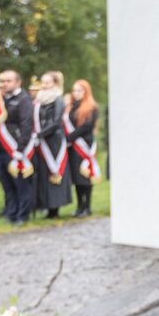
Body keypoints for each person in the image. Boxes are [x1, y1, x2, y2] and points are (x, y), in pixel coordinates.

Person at [0, 69, 34, 225]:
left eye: (8, 81)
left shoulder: (23, 99)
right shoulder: (1, 100)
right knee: (7, 184)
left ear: (18, 82)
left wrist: (20, 149)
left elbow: (26, 125)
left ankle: (22, 215)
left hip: (16, 149)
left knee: (21, 184)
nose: (4, 84)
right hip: (1, 148)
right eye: (2, 81)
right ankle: (11, 213)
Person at [32, 71, 72, 219]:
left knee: (54, 172)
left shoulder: (58, 99)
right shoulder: (39, 100)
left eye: (48, 82)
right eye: (43, 82)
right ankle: (46, 205)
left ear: (55, 83)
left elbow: (56, 122)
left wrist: (40, 134)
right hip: (42, 140)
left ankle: (55, 208)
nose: (44, 85)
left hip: (53, 140)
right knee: (43, 173)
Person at [64, 78, 100, 217]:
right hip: (73, 146)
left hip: (84, 145)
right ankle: (79, 206)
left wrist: (70, 137)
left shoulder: (91, 107)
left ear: (86, 92)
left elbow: (87, 126)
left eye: (79, 90)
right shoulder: (71, 107)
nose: (76, 93)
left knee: (85, 176)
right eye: (74, 90)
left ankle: (87, 207)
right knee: (76, 177)